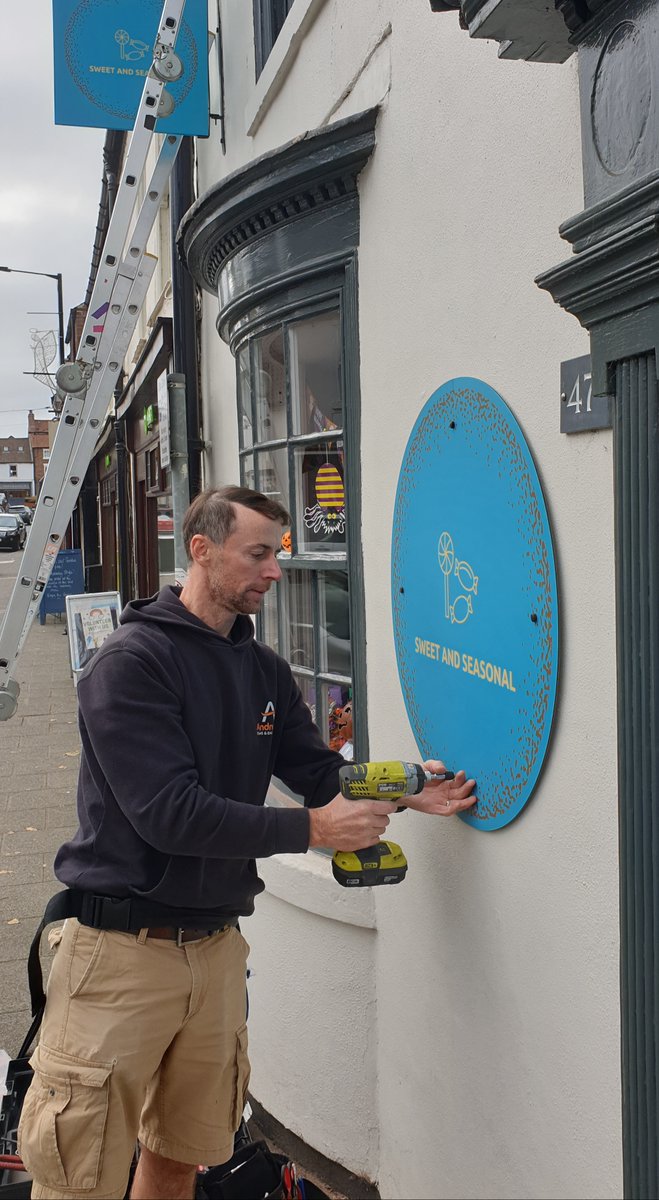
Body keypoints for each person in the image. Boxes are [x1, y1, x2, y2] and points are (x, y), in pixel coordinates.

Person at [18, 484, 476, 1200]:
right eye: (258, 554)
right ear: (200, 550)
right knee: (81, 1178)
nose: (274, 571)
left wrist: (405, 790)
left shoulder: (261, 669)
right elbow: (170, 814)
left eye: (277, 555)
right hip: (117, 958)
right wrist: (313, 828)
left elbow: (315, 771)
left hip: (216, 950)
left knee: (179, 1157)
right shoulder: (130, 663)